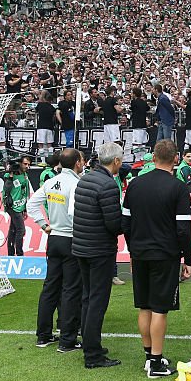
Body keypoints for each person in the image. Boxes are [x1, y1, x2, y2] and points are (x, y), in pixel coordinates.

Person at [122, 139, 191, 378]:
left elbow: (126, 224)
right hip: (165, 255)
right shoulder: (179, 188)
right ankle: (155, 362)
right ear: (176, 159)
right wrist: (188, 259)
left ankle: (150, 356)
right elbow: (183, 229)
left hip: (141, 252)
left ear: (153, 157)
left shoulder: (134, 185)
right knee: (160, 309)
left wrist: (133, 251)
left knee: (145, 306)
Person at [71, 141, 124, 369]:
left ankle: (90, 344)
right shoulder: (108, 185)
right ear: (116, 161)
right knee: (97, 301)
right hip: (98, 250)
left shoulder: (86, 178)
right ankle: (92, 354)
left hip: (82, 247)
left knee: (88, 297)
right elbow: (113, 224)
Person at [28, 148, 84, 351]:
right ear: (78, 163)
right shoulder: (77, 184)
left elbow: (32, 205)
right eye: (82, 160)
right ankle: (67, 340)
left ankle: (43, 335)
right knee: (70, 289)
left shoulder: (51, 182)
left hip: (54, 238)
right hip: (70, 238)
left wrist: (44, 225)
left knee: (50, 286)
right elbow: (74, 214)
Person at [2, 156, 31, 257]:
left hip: (20, 205)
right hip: (12, 206)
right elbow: (7, 188)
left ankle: (10, 253)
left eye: (28, 164)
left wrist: (25, 208)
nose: (27, 166)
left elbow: (25, 191)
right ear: (19, 164)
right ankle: (19, 254)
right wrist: (10, 175)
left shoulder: (24, 174)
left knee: (13, 230)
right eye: (25, 164)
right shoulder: (9, 175)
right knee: (21, 230)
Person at [35, 90, 56, 160]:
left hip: (41, 127)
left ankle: (43, 162)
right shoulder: (52, 108)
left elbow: (36, 109)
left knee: (40, 144)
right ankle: (50, 161)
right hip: (50, 127)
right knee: (49, 144)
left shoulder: (40, 105)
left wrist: (42, 93)